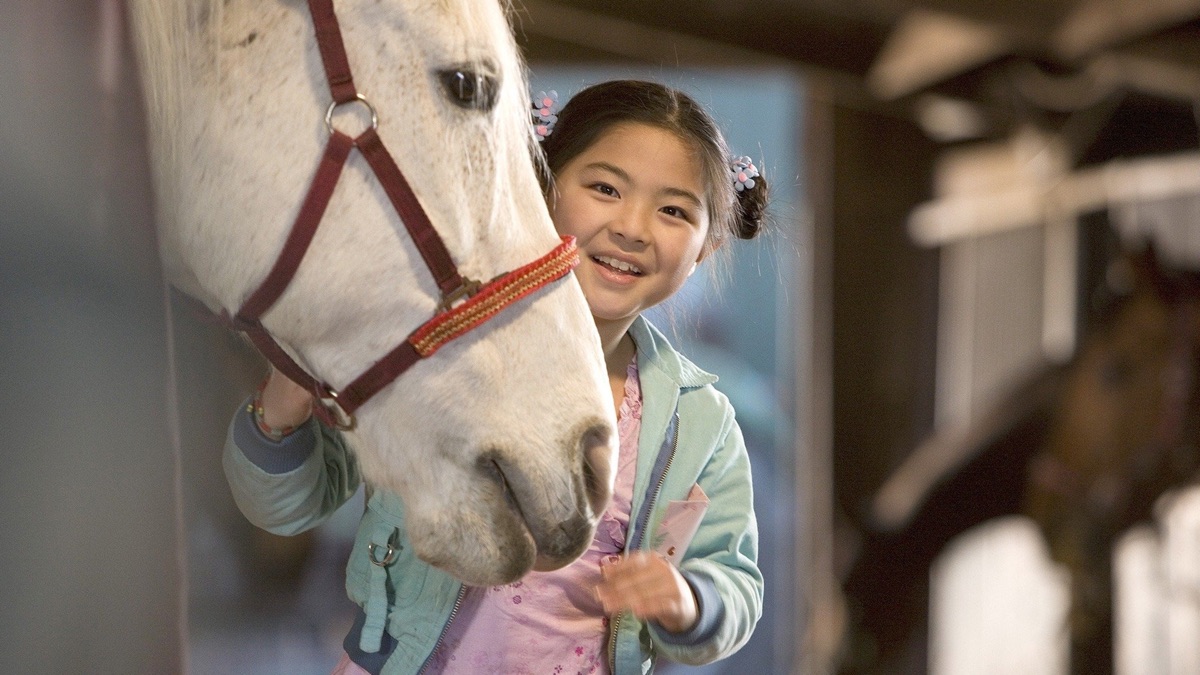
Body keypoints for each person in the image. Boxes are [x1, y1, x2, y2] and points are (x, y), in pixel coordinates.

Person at [223, 79, 769, 674]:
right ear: (539, 190)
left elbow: (735, 581)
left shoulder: (703, 423)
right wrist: (282, 409)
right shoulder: (433, 351)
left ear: (708, 245)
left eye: (673, 210)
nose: (633, 228)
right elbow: (283, 509)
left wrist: (691, 601)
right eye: (605, 188)